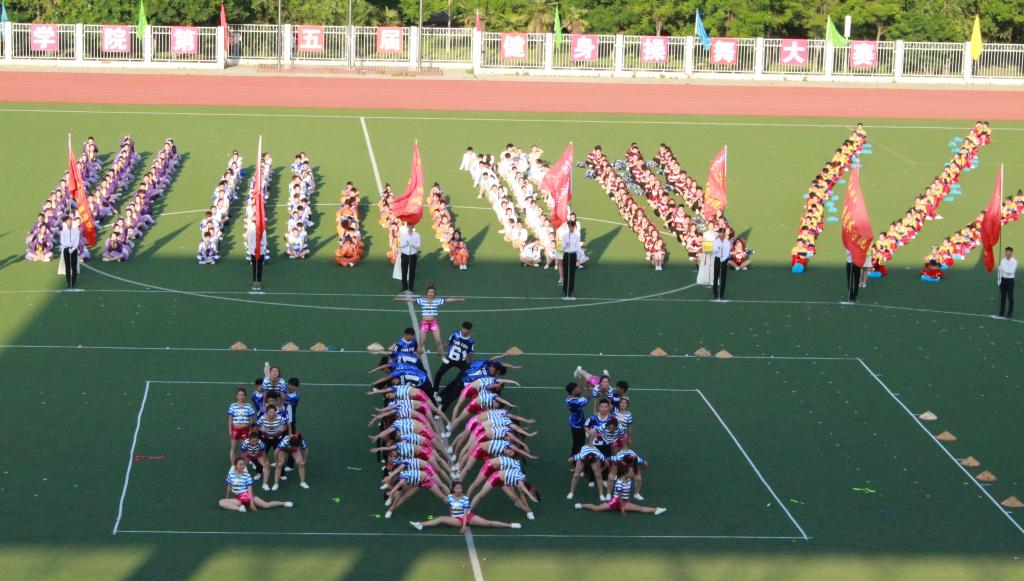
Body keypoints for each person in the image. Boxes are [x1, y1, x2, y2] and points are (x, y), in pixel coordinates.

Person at [410, 481, 521, 532]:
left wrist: (464, 526)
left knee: (488, 523)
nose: (459, 490)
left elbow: (464, 513)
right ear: (453, 489)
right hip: (457, 519)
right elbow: (450, 507)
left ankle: (510, 525)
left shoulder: (465, 498)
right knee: (440, 519)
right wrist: (452, 516)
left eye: (460, 488)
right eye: (457, 488)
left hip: (468, 517)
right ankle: (420, 524)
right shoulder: (449, 497)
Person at [218, 457, 293, 513]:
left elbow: (250, 490)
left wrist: (252, 503)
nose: (242, 466)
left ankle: (284, 503)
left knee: (266, 505)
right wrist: (227, 498)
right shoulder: (231, 475)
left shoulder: (247, 475)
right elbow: (229, 487)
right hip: (238, 498)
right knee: (221, 502)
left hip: (246, 495)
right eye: (240, 464)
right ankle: (240, 508)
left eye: (243, 464)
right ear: (235, 465)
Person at [573, 471, 665, 516]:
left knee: (639, 508)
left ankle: (656, 509)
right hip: (616, 501)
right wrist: (622, 508)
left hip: (622, 501)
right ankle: (581, 505)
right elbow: (619, 496)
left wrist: (627, 500)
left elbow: (626, 493)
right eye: (630, 472)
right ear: (625, 473)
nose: (632, 474)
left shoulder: (629, 481)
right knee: (597, 508)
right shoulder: (619, 483)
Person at [435, 322, 476, 411]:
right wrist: (441, 350)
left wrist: (470, 365)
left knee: (463, 378)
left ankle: (452, 393)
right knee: (439, 373)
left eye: (467, 329)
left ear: (469, 330)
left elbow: (470, 354)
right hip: (450, 359)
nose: (465, 330)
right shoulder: (455, 335)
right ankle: (435, 392)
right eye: (464, 328)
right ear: (461, 328)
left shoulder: (470, 341)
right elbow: (447, 343)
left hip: (461, 362)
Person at [227, 387, 256, 462]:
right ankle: (233, 466)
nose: (241, 397)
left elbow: (251, 420)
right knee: (233, 449)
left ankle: (244, 465)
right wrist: (230, 430)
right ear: (236, 396)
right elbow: (230, 419)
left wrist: (251, 430)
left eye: (243, 395)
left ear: (245, 396)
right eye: (239, 395)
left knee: (244, 449)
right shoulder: (233, 406)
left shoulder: (249, 406)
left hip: (245, 430)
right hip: (235, 429)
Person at [564, 382, 589, 456]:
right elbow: (588, 397)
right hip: (579, 426)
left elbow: (580, 391)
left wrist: (583, 379)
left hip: (574, 424)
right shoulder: (575, 402)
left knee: (575, 445)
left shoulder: (569, 399)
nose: (579, 389)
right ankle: (576, 460)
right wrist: (588, 387)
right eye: (577, 388)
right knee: (580, 445)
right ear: (573, 391)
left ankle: (572, 459)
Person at [59, 216, 82, 290]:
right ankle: (68, 282)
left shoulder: (75, 231)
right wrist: (67, 245)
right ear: (66, 223)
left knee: (74, 266)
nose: (69, 223)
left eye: (70, 222)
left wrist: (73, 248)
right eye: (68, 222)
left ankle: (73, 282)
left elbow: (77, 241)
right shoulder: (63, 232)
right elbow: (62, 241)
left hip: (73, 250)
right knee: (67, 267)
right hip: (66, 249)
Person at [560, 220, 581, 300]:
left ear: (574, 227)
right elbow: (562, 247)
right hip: (566, 254)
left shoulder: (576, 236)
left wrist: (578, 258)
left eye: (572, 226)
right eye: (569, 226)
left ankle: (570, 292)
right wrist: (566, 244)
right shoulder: (565, 236)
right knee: (566, 273)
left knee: (572, 274)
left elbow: (578, 247)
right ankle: (565, 292)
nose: (570, 228)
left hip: (573, 255)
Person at [399, 223, 421, 295]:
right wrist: (407, 243)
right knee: (404, 271)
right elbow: (401, 245)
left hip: (413, 255)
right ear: (407, 226)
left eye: (411, 225)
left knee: (412, 272)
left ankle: (411, 288)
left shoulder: (417, 235)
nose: (409, 227)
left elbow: (418, 246)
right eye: (408, 225)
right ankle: (404, 287)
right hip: (405, 255)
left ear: (413, 226)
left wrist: (413, 244)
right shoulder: (403, 235)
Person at [712, 228, 731, 300]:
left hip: (724, 260)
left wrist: (723, 259)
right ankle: (715, 293)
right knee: (715, 277)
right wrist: (719, 248)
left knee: (723, 278)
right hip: (717, 259)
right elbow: (714, 251)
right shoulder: (716, 241)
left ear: (724, 234)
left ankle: (722, 294)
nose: (721, 234)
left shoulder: (727, 242)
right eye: (720, 233)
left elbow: (727, 252)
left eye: (722, 233)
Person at [998, 246, 1016, 319]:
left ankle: (1009, 313)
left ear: (1011, 253)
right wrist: (999, 279)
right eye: (1006, 252)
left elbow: (1011, 271)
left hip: (1010, 280)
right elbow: (1000, 271)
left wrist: (1003, 269)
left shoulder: (1014, 261)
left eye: (1008, 252)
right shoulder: (1002, 260)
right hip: (1003, 280)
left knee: (1010, 297)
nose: (1006, 253)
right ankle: (1001, 312)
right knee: (1003, 297)